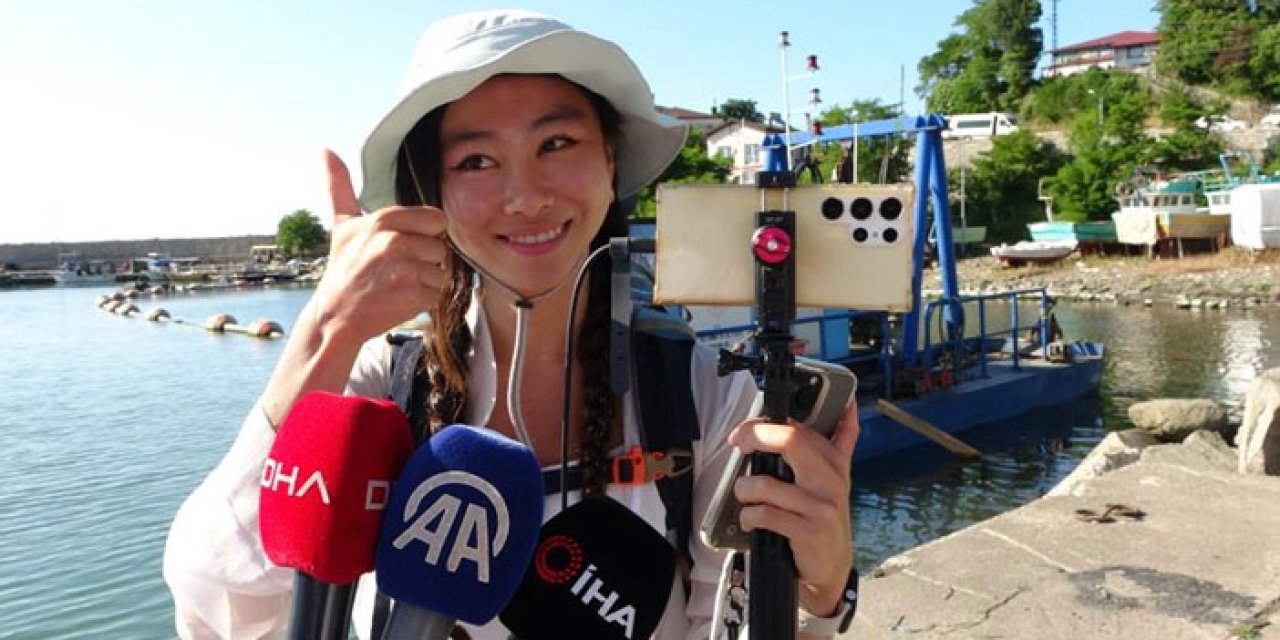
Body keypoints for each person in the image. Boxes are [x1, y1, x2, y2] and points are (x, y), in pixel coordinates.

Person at [163, 10, 859, 640]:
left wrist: (821, 590)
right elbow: (220, 604)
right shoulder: (374, 387)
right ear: (431, 191)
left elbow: (727, 624)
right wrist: (324, 333)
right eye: (476, 160)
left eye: (556, 142)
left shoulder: (701, 395)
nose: (524, 196)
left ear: (610, 159)